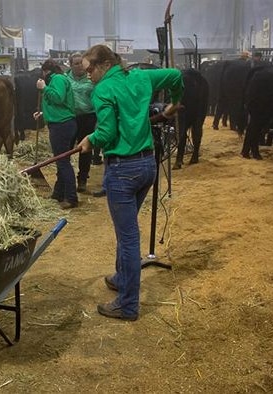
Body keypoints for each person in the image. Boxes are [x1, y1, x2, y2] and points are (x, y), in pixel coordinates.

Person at [77, 44, 183, 321]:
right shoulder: (139, 76)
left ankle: (128, 304)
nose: (87, 75)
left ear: (102, 66)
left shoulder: (103, 90)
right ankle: (122, 278)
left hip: (123, 170)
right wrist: (174, 103)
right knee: (128, 232)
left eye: (89, 70)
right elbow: (175, 77)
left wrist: (91, 140)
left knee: (128, 239)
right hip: (147, 165)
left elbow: (108, 131)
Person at [34, 58, 78, 209]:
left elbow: (58, 98)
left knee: (63, 162)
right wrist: (43, 113)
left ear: (47, 71)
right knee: (61, 160)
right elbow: (58, 103)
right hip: (61, 122)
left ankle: (71, 197)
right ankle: (58, 193)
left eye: (43, 73)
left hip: (62, 125)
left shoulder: (57, 79)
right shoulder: (58, 79)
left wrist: (44, 88)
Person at [66, 52, 96, 194]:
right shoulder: (65, 79)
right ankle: (67, 179)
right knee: (67, 149)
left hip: (88, 116)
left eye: (81, 63)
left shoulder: (92, 79)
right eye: (76, 63)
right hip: (70, 117)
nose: (79, 66)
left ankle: (82, 179)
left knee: (85, 149)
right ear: (70, 65)